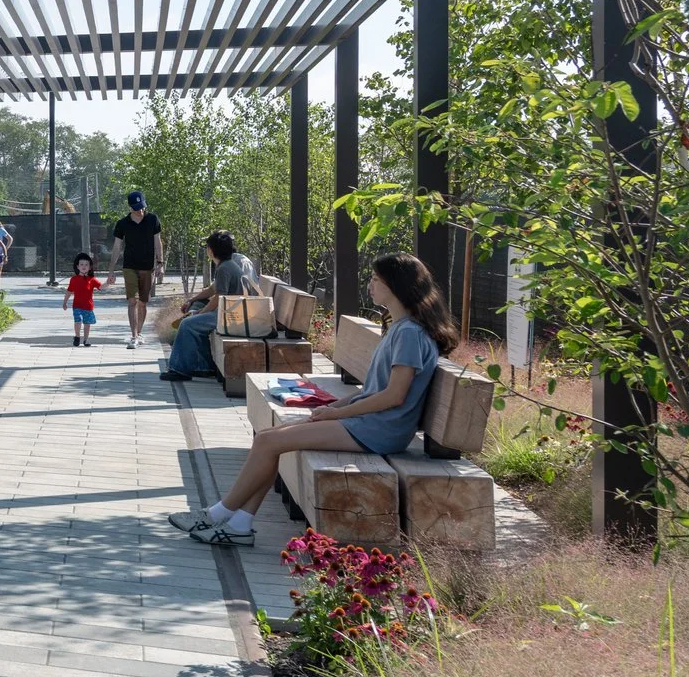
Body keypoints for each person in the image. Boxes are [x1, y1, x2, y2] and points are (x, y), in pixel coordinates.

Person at [172, 253, 458, 547]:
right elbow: (375, 390)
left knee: (268, 442)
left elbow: (394, 396)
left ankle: (217, 514)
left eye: (376, 279)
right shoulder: (401, 327)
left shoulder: (409, 334)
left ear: (396, 285)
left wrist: (338, 415)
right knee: (269, 439)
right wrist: (333, 407)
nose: (370, 285)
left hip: (379, 430)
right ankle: (240, 524)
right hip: (370, 423)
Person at [162, 230, 260, 380]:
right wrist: (192, 300)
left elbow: (218, 297)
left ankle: (179, 369)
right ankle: (204, 366)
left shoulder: (224, 268)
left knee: (187, 324)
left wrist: (200, 313)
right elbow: (212, 290)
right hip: (229, 312)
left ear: (211, 250)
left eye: (208, 247)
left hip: (229, 316)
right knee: (194, 315)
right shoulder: (228, 265)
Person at [108, 191, 164, 349]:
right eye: (137, 208)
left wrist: (160, 263)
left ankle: (139, 333)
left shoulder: (153, 219)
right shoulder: (122, 223)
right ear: (130, 207)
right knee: (132, 300)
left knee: (143, 303)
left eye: (142, 207)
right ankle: (133, 336)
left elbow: (158, 242)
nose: (140, 210)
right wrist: (111, 270)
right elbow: (117, 247)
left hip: (147, 267)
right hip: (129, 266)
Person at [60, 252, 105, 347]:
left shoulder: (92, 279)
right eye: (81, 264)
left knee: (87, 323)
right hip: (77, 306)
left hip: (88, 307)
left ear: (90, 267)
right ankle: (77, 337)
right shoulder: (74, 279)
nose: (84, 266)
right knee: (78, 321)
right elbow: (69, 291)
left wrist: (108, 283)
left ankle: (86, 339)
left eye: (86, 265)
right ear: (77, 266)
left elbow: (101, 287)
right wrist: (65, 302)